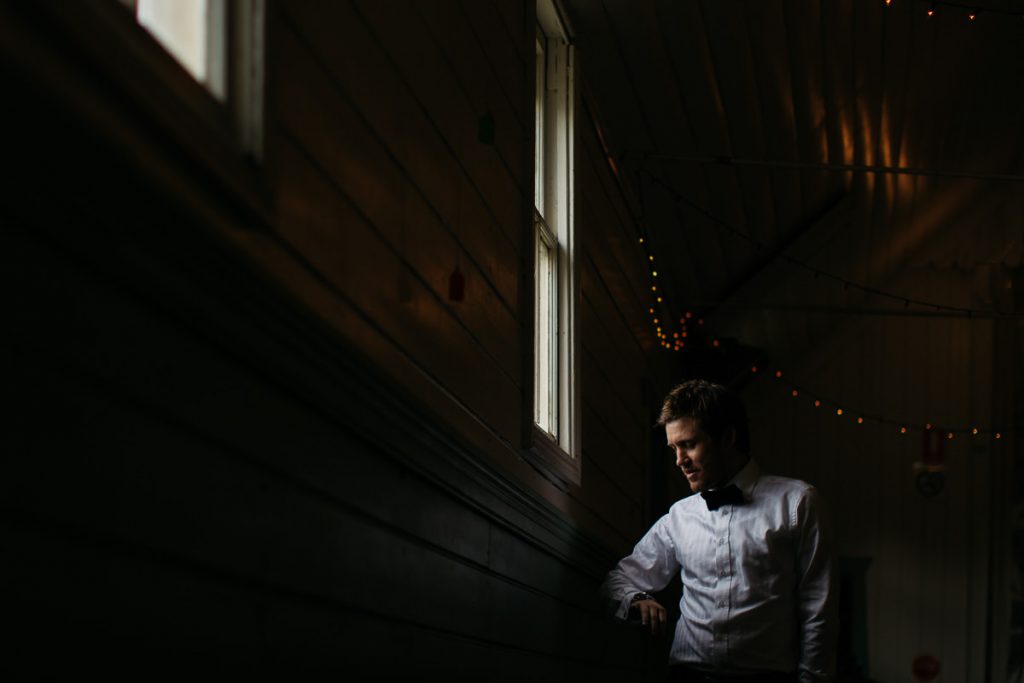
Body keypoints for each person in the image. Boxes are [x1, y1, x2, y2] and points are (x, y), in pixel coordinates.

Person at [601, 379, 838, 683]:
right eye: (674, 448)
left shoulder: (798, 504)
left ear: (727, 437)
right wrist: (635, 599)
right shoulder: (679, 517)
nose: (679, 461)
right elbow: (616, 581)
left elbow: (818, 608)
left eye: (688, 444)